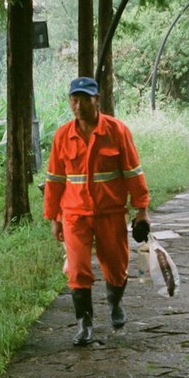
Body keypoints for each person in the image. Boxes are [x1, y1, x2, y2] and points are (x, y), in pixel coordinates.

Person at [44, 76, 150, 346]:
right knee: (78, 269)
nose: (77, 105)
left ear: (96, 100)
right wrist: (53, 218)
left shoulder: (117, 131)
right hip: (74, 215)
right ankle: (85, 324)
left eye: (83, 99)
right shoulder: (62, 135)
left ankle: (115, 304)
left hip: (110, 212)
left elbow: (133, 173)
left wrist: (142, 210)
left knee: (116, 266)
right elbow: (55, 180)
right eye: (73, 99)